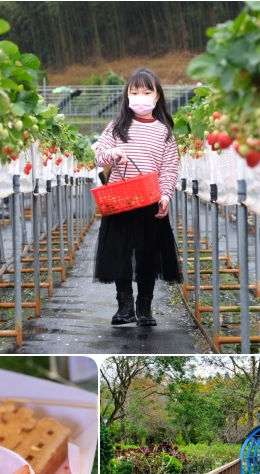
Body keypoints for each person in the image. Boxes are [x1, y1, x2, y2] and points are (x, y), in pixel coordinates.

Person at [92, 67, 181, 326]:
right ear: (127, 95)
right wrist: (113, 153)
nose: (140, 96)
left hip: (150, 202)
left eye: (146, 91)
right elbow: (98, 154)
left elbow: (169, 168)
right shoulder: (118, 126)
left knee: (147, 255)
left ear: (157, 96)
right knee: (119, 253)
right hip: (120, 200)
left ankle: (145, 307)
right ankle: (124, 306)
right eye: (134, 91)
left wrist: (165, 196)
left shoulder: (164, 131)